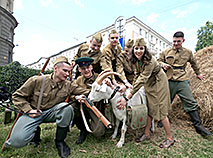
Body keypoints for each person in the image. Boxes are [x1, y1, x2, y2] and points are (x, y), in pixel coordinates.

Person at [5, 56, 87, 158]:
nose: (67, 74)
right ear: (55, 69)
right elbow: (17, 96)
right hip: (33, 114)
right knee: (16, 142)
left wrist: (106, 87)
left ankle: (60, 142)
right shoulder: (36, 80)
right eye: (65, 71)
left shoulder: (68, 85)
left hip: (52, 113)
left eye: (69, 72)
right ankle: (35, 132)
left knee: (66, 108)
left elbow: (87, 92)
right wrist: (29, 110)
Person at [117, 38, 175, 148]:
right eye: (136, 48)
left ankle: (169, 138)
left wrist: (127, 96)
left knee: (160, 110)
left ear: (145, 49)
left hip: (158, 82)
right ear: (133, 49)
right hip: (149, 82)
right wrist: (133, 86)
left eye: (141, 48)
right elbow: (138, 75)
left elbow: (143, 78)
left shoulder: (150, 60)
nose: (138, 51)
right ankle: (147, 134)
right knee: (150, 107)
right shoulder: (135, 60)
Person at [157, 31, 212, 138]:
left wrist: (199, 74)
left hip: (182, 80)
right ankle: (161, 120)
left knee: (190, 101)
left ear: (183, 40)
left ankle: (199, 126)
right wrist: (163, 64)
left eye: (178, 41)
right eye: (174, 41)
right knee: (166, 101)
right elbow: (158, 61)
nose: (176, 43)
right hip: (169, 79)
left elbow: (194, 63)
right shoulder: (166, 51)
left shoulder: (188, 52)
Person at [72, 57, 106, 144]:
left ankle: (95, 124)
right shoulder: (77, 81)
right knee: (71, 107)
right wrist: (76, 98)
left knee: (99, 133)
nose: (86, 70)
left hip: (96, 108)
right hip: (82, 108)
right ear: (79, 70)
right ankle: (83, 129)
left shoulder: (100, 78)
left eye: (88, 67)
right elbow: (71, 93)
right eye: (83, 69)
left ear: (91, 67)